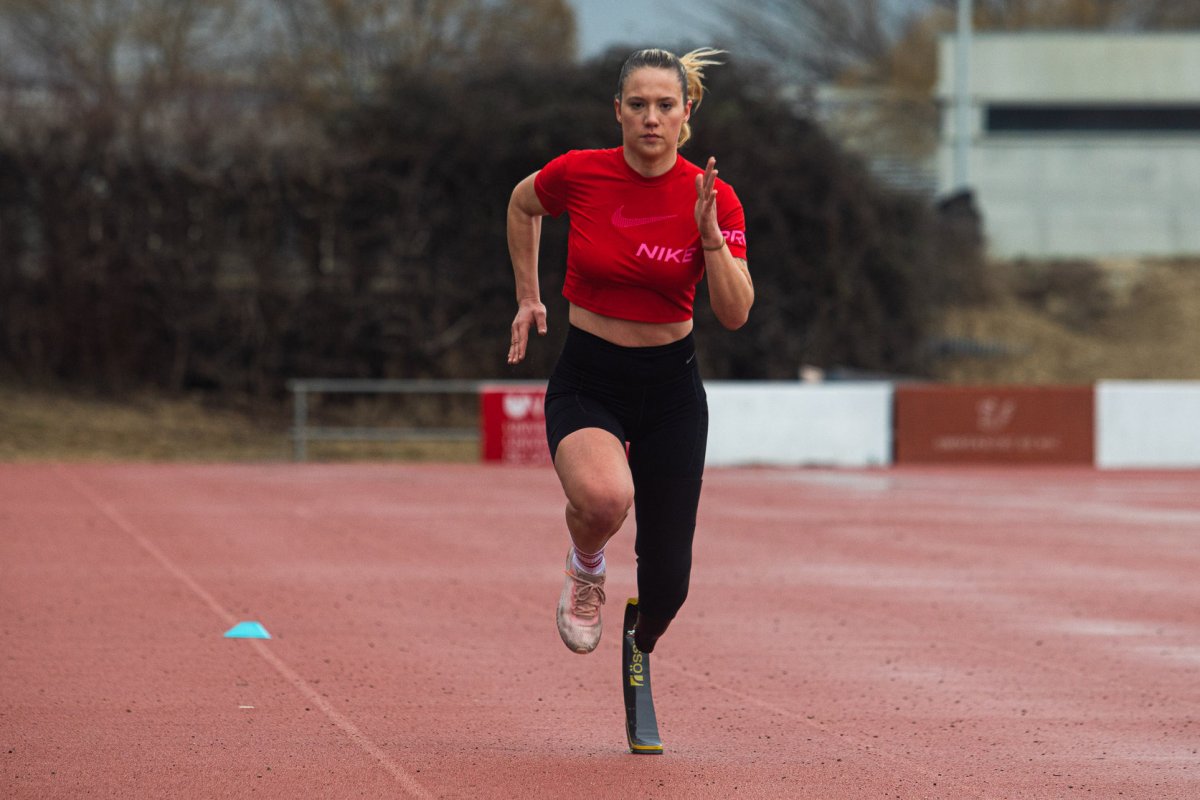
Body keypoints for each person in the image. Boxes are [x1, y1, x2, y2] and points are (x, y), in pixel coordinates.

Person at [505, 47, 753, 657]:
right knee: (605, 498)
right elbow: (522, 204)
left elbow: (735, 312)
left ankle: (640, 642)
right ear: (617, 111)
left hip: (671, 390)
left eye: (664, 106)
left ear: (685, 111)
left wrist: (711, 240)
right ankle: (586, 565)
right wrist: (529, 297)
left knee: (669, 584)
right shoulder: (581, 173)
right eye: (637, 105)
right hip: (591, 376)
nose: (651, 117)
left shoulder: (713, 198)